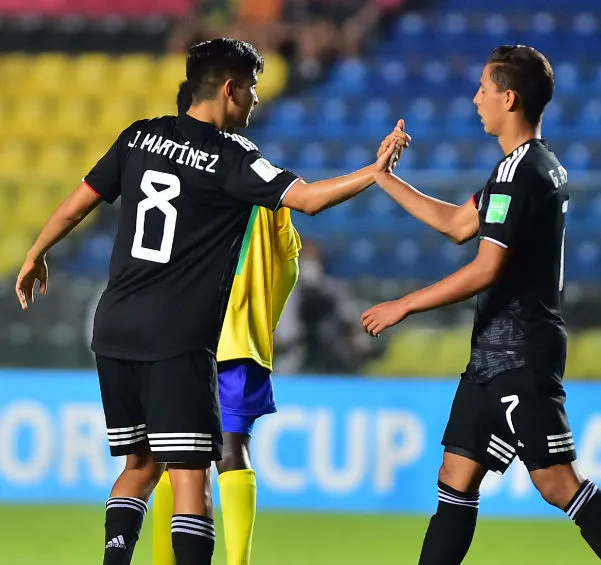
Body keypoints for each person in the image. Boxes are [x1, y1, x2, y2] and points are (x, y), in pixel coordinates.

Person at [14, 37, 405, 565]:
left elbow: (77, 204)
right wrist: (375, 171)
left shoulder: (139, 136)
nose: (257, 100)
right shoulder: (234, 157)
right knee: (191, 476)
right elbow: (309, 200)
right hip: (176, 337)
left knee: (139, 466)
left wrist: (37, 252)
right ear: (229, 89)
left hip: (114, 326)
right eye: (253, 88)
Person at [360, 45, 601, 565]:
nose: (476, 99)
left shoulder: (523, 172)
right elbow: (459, 225)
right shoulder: (523, 166)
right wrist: (383, 178)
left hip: (520, 353)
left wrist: (405, 304)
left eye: (483, 89)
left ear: (509, 98)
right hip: (493, 354)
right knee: (455, 476)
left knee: (558, 483)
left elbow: (486, 267)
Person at [145, 79, 315, 565]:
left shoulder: (172, 176)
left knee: (173, 458)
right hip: (239, 339)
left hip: (179, 338)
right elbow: (288, 263)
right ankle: (237, 561)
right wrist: (262, 318)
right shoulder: (259, 176)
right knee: (231, 449)